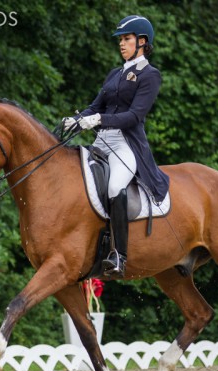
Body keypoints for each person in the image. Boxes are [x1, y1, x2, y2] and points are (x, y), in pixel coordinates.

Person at [63, 15, 169, 279]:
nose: (122, 44)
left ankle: (119, 255)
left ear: (142, 42)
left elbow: (134, 116)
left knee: (114, 187)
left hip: (126, 145)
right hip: (101, 142)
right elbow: (95, 106)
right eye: (121, 40)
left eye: (127, 39)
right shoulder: (114, 74)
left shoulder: (149, 75)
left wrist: (98, 119)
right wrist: (77, 119)